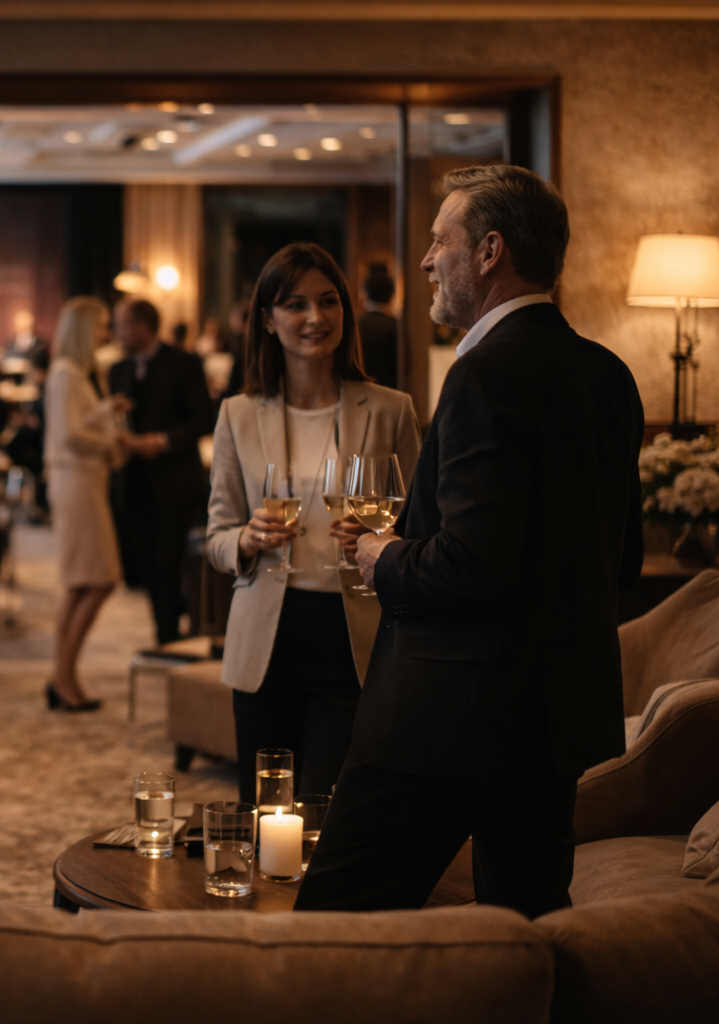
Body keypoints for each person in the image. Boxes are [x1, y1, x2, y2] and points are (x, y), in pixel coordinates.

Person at [296, 165, 644, 919]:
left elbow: (471, 564)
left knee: (331, 934)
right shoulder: (608, 373)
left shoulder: (486, 371)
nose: (424, 261)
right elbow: (622, 560)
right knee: (528, 937)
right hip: (554, 722)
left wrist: (381, 555)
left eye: (437, 241)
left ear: (489, 252)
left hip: (441, 717)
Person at [203, 243, 421, 805]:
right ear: (268, 320)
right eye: (296, 305)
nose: (315, 318)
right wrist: (246, 540)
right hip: (266, 637)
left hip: (352, 633)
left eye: (328, 302)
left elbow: (419, 525)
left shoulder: (391, 409)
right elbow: (217, 536)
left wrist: (381, 540)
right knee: (263, 804)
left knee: (330, 805)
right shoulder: (238, 414)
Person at [108, 297, 213, 645]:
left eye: (122, 324)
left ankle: (168, 637)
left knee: (169, 563)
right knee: (147, 566)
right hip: (133, 483)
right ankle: (163, 631)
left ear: (143, 326)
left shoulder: (183, 362)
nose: (116, 331)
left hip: (175, 482)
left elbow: (204, 417)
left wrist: (164, 441)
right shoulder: (118, 370)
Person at [43, 296, 126, 712]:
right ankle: (63, 675)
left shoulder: (80, 373)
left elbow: (78, 426)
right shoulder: (66, 373)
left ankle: (63, 676)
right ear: (82, 329)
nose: (105, 333)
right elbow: (70, 435)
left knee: (83, 583)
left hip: (85, 481)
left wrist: (109, 411)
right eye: (100, 326)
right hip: (76, 483)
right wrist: (113, 438)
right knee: (97, 579)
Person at [357, 262, 400, 390]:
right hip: (391, 391)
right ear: (391, 295)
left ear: (364, 293)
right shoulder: (396, 326)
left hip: (360, 391)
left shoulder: (356, 324)